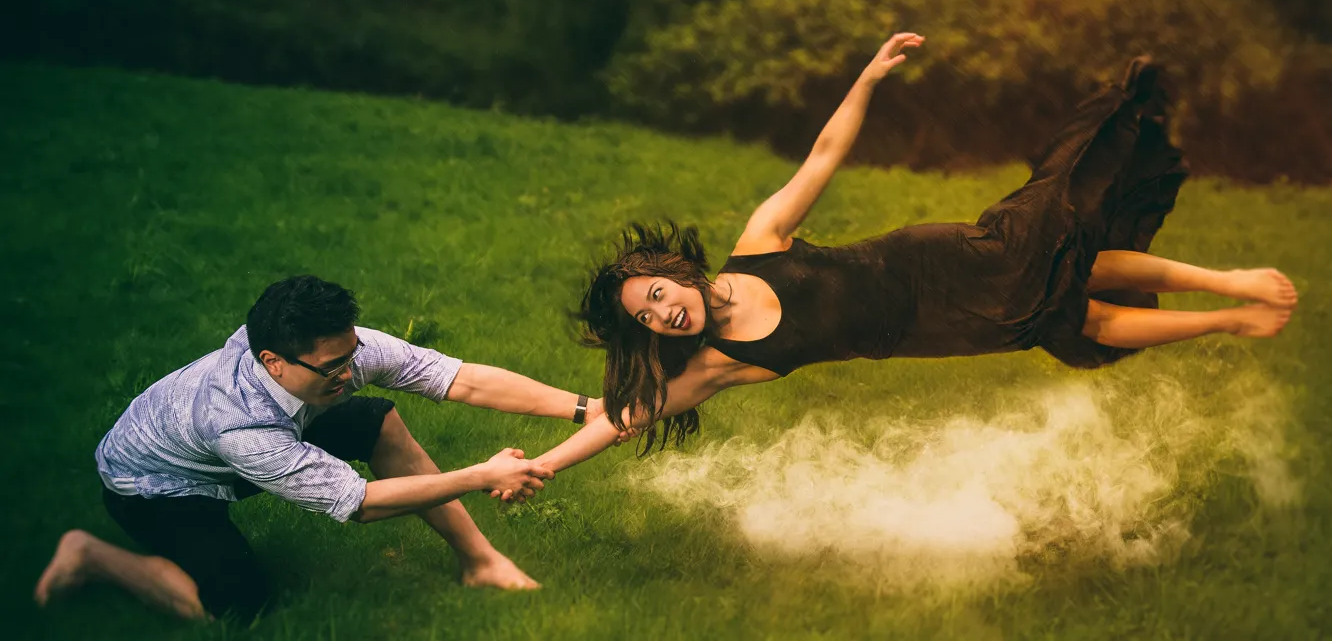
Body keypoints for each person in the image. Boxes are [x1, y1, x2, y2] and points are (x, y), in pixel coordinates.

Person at [496, 32, 1298, 491]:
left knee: (1065, 251)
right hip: (939, 326)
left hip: (932, 259)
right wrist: (545, 465)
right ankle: (1231, 314)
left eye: (659, 293)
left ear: (674, 270)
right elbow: (626, 418)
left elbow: (822, 155)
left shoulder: (760, 241)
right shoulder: (714, 363)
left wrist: (867, 77)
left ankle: (1227, 289)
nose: (664, 311)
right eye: (649, 316)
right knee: (1066, 310)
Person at [33, 274, 605, 623]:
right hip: (157, 485)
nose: (352, 371)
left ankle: (480, 562)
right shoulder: (236, 421)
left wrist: (587, 408)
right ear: (272, 362)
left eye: (353, 354)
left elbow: (460, 379)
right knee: (235, 606)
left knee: (377, 420)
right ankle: (91, 555)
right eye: (335, 366)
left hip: (262, 433)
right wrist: (481, 474)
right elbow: (361, 504)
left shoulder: (333, 352)